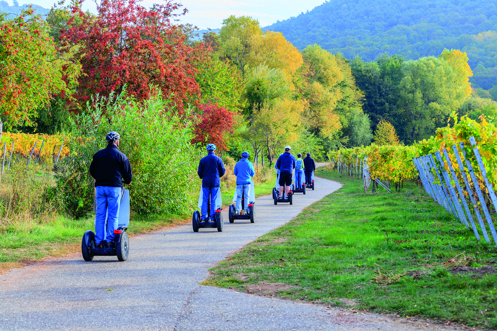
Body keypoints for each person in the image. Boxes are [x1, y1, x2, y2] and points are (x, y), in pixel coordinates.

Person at [90, 131, 133, 249]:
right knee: (113, 215)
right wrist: (127, 181)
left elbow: (92, 171)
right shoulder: (121, 156)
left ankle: (98, 241)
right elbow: (128, 175)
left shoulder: (98, 155)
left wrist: (101, 178)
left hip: (100, 188)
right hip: (114, 188)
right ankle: (109, 241)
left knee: (100, 214)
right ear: (117, 142)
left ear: (107, 141)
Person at [197, 143, 226, 221]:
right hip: (215, 182)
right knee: (213, 199)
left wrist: (202, 177)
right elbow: (222, 171)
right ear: (214, 150)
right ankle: (212, 217)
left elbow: (199, 172)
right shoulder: (218, 159)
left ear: (207, 150)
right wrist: (217, 176)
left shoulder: (203, 160)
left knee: (205, 199)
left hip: (205, 182)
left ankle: (203, 217)